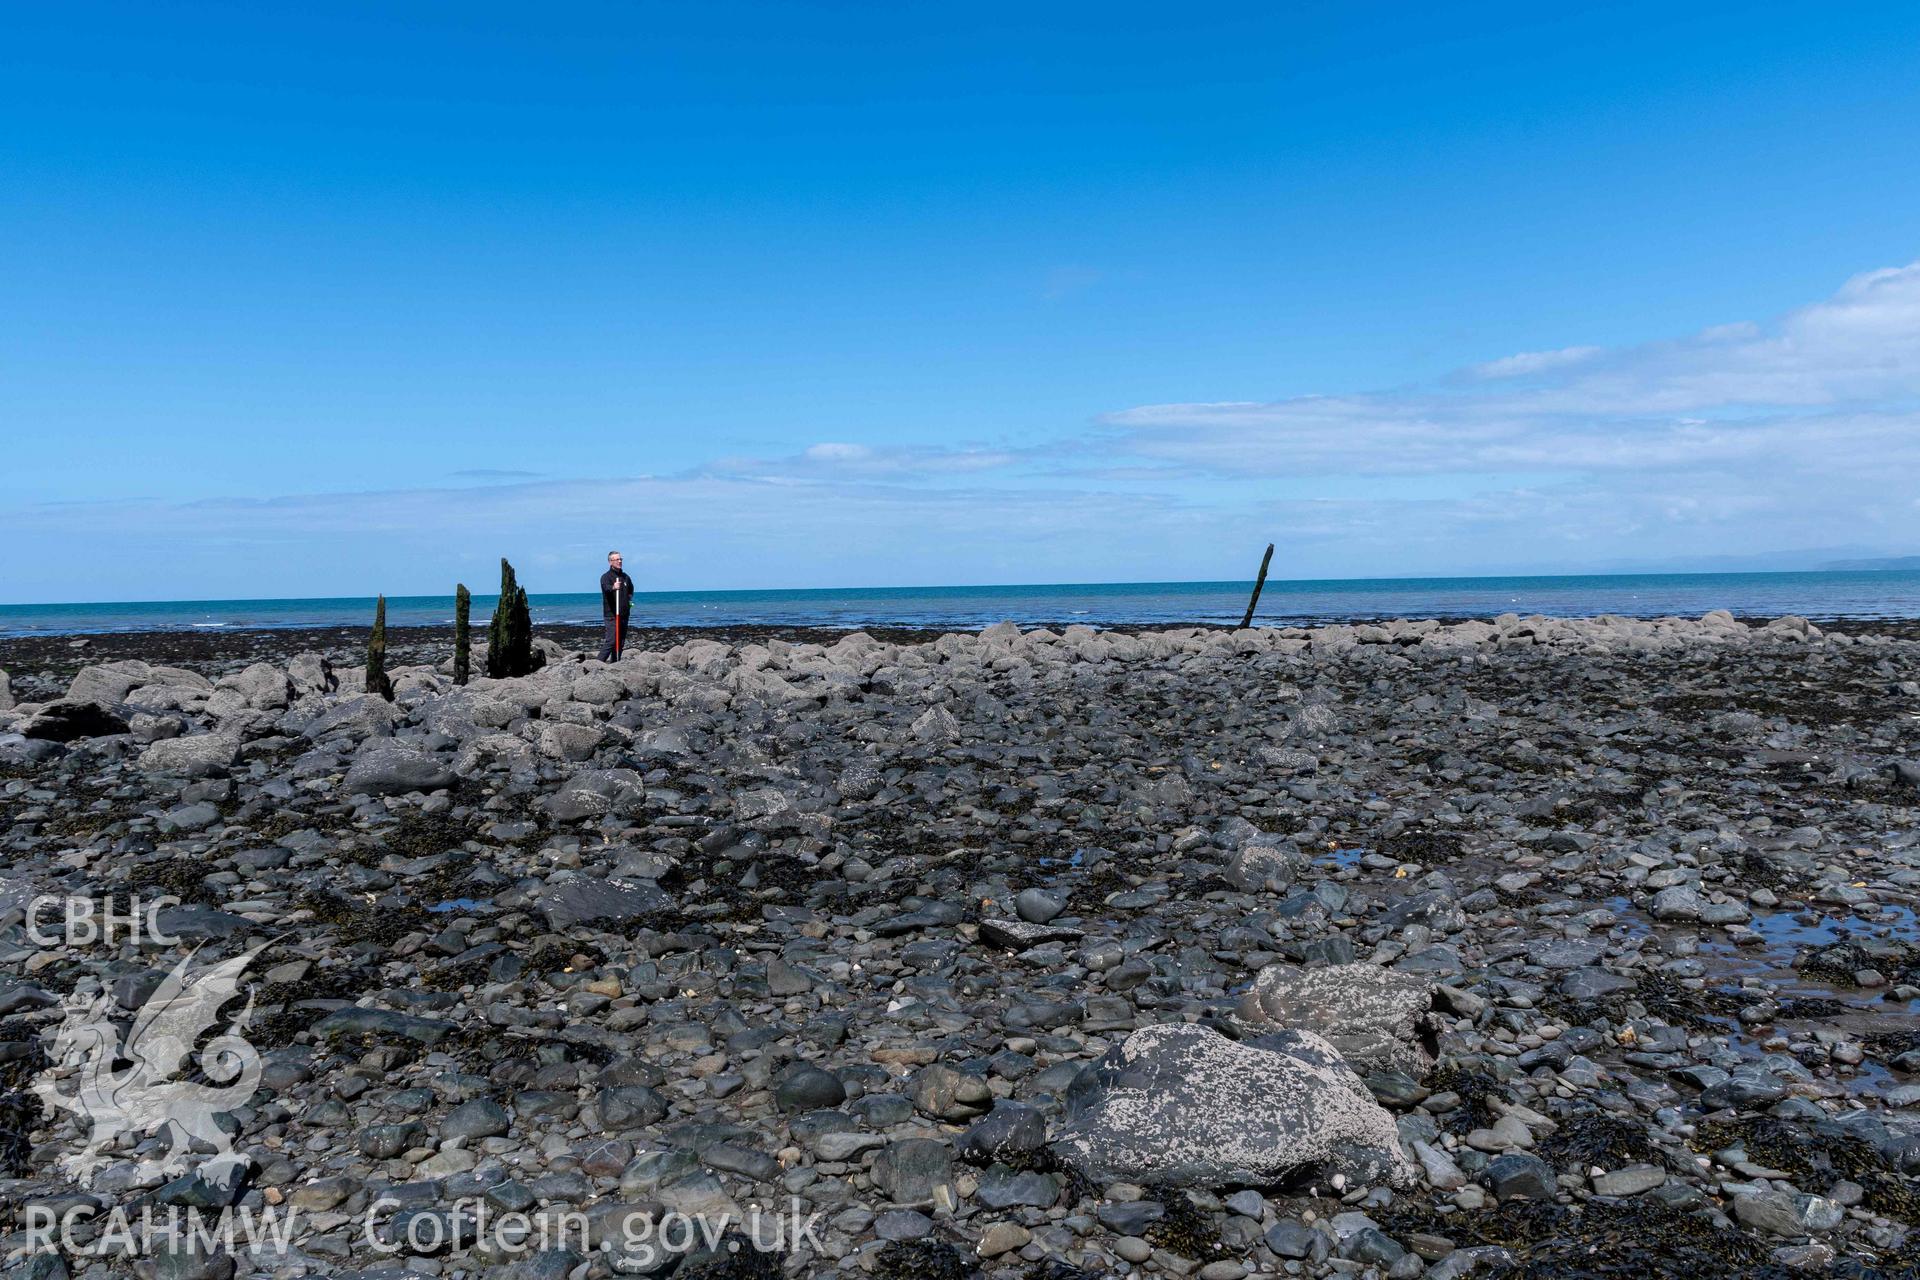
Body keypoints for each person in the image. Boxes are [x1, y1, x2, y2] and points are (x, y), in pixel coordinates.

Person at [599, 551, 634, 661]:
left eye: (620, 559)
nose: (619, 561)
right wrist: (614, 587)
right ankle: (596, 664)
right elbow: (606, 588)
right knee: (612, 640)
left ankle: (615, 663)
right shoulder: (606, 577)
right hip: (612, 614)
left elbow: (631, 590)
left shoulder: (625, 577)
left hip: (624, 614)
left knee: (620, 641)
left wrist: (628, 600)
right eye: (616, 559)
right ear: (610, 562)